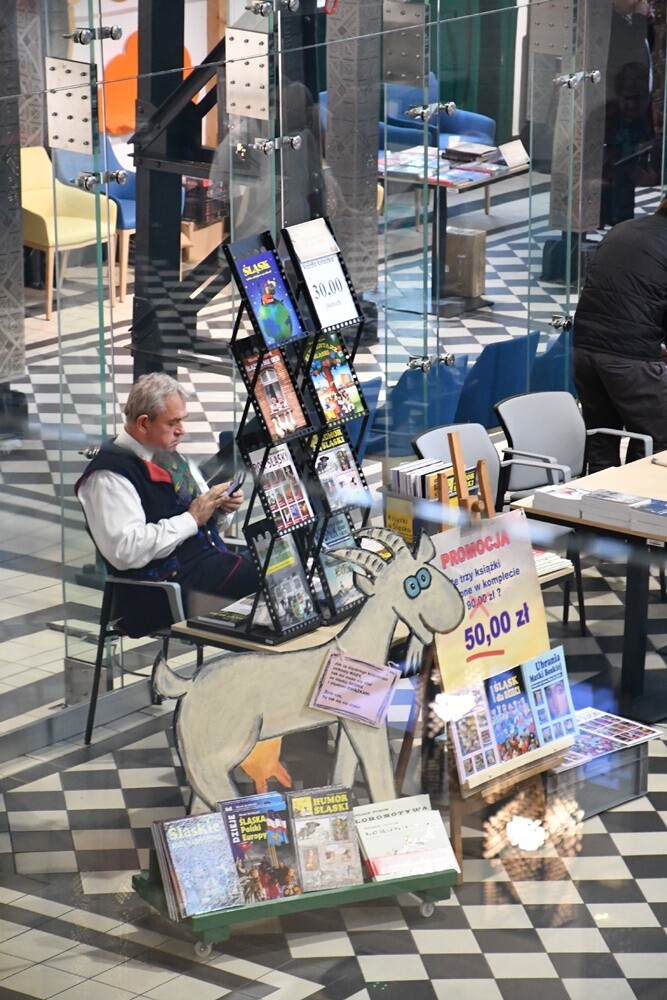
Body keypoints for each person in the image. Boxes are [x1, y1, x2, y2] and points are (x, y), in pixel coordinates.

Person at [75, 372, 259, 621]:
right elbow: (125, 551)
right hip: (161, 592)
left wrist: (220, 509)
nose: (181, 431)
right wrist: (192, 518)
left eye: (181, 421)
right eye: (172, 423)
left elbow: (205, 522)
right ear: (143, 423)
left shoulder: (169, 455)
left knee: (285, 550)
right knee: (275, 565)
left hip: (206, 569)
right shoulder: (109, 474)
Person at [572, 192, 667, 472]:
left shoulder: (623, 228)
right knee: (656, 442)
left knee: (602, 440)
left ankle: (595, 507)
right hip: (629, 359)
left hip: (584, 350)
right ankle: (636, 509)